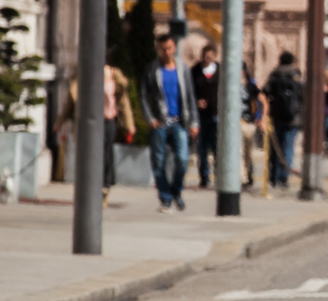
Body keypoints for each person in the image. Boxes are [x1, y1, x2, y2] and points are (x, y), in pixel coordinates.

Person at [56, 53, 135, 207]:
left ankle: (104, 187)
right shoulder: (84, 75)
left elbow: (124, 103)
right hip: (88, 124)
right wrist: (60, 121)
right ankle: (90, 189)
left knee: (105, 155)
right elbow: (70, 102)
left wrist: (129, 125)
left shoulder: (114, 76)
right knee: (89, 156)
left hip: (108, 122)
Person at [141, 34, 199, 212]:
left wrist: (194, 122)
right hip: (161, 123)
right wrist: (150, 119)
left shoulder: (183, 69)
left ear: (174, 48)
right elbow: (143, 96)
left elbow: (190, 96)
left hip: (180, 122)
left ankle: (176, 191)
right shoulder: (152, 69)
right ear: (158, 49)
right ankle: (166, 197)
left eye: (169, 48)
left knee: (182, 160)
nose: (166, 52)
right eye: (163, 49)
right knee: (158, 163)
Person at [265, 51, 304, 188]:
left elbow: (265, 90)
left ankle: (273, 176)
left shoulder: (275, 74)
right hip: (293, 117)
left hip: (276, 116)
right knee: (288, 147)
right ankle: (284, 177)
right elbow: (302, 94)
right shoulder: (296, 75)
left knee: (275, 147)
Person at [191, 43, 220, 188]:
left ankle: (219, 176)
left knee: (216, 148)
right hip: (200, 116)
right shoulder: (195, 71)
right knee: (202, 149)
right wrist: (196, 102)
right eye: (204, 56)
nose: (206, 59)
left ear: (214, 56)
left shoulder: (219, 71)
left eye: (209, 56)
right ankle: (204, 178)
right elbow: (190, 91)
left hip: (216, 114)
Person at [239, 62, 265, 187]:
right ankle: (241, 177)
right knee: (238, 152)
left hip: (249, 123)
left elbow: (263, 101)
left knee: (248, 152)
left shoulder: (250, 85)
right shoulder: (230, 85)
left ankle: (248, 174)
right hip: (236, 124)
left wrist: (262, 118)